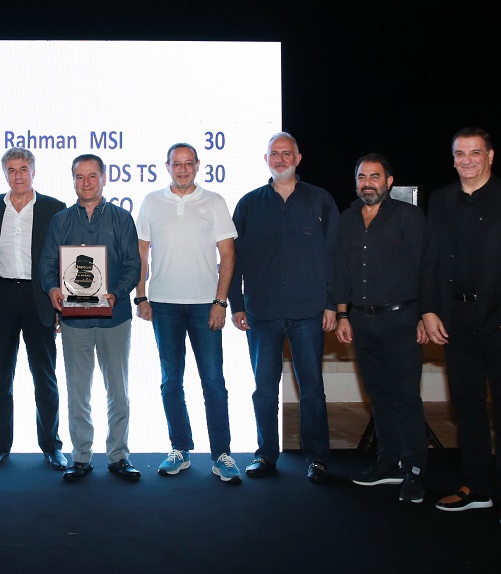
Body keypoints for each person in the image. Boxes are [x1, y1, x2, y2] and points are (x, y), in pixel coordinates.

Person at [419, 127, 501, 526]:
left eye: (475, 152)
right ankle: (475, 485)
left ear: (491, 155)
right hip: (456, 320)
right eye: (459, 153)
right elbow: (431, 263)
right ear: (452, 158)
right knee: (467, 407)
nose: (467, 160)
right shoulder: (439, 201)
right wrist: (429, 311)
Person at [229, 132, 338, 484]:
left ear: (298, 158)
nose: (280, 159)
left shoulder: (320, 201)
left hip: (309, 311)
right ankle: (265, 455)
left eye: (286, 153)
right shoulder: (248, 204)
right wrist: (236, 303)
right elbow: (233, 258)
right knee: (264, 388)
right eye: (273, 154)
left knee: (312, 389)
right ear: (265, 160)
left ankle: (317, 459)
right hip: (262, 312)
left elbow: (335, 257)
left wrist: (333, 305)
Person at [134, 142, 241, 483]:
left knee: (213, 382)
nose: (182, 169)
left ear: (198, 165)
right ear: (166, 166)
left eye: (188, 163)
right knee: (170, 382)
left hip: (204, 306)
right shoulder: (152, 201)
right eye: (176, 164)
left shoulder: (214, 202)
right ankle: (179, 449)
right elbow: (141, 253)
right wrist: (141, 296)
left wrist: (220, 302)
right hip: (163, 305)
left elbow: (228, 254)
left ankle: (222, 454)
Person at [38, 154, 141, 482]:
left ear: (104, 178)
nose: (86, 182)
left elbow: (133, 266)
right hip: (74, 320)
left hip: (115, 317)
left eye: (92, 176)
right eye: (80, 176)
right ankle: (81, 455)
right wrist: (53, 288)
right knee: (78, 390)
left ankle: (118, 456)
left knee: (118, 389)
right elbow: (47, 263)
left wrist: (117, 291)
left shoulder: (122, 218)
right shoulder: (61, 221)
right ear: (73, 180)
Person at [334, 153, 428, 502]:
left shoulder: (409, 216)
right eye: (362, 177)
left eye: (375, 176)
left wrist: (424, 315)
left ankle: (415, 470)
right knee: (380, 396)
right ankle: (388, 463)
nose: (368, 183)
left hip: (402, 318)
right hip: (361, 320)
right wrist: (343, 314)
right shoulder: (347, 220)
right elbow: (341, 270)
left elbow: (425, 268)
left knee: (406, 397)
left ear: (389, 181)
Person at [0, 147, 67, 471]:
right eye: (12, 170)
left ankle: (51, 447)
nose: (18, 175)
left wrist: (61, 301)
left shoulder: (54, 209)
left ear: (34, 171)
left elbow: (63, 258)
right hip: (1, 296)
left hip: (40, 297)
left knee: (45, 377)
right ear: (5, 173)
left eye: (23, 169)